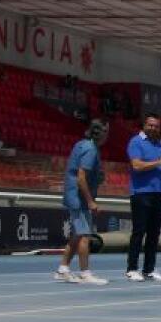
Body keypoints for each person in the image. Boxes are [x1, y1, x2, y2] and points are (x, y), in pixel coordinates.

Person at [54, 119, 109, 285]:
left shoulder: (82, 144)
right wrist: (90, 201)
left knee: (78, 235)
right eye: (107, 132)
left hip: (74, 196)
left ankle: (63, 269)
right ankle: (85, 273)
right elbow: (81, 177)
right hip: (79, 199)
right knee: (85, 235)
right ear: (102, 134)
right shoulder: (91, 149)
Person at [125, 114, 161, 282]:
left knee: (154, 233)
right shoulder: (136, 142)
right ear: (144, 125)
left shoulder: (160, 143)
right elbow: (137, 165)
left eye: (157, 126)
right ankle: (132, 268)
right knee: (139, 232)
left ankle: (149, 269)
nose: (153, 128)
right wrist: (160, 161)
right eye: (150, 125)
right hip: (141, 193)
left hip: (158, 193)